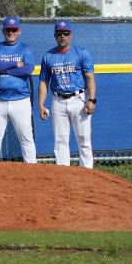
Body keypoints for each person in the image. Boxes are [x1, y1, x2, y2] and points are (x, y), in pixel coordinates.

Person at [36, 19, 96, 169]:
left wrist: (92, 99)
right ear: (55, 35)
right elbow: (43, 82)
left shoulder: (81, 53)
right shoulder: (48, 56)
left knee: (83, 139)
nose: (62, 36)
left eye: (65, 33)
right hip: (58, 100)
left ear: (71, 35)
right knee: (60, 140)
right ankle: (64, 174)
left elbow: (90, 78)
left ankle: (87, 172)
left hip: (78, 99)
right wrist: (41, 104)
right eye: (59, 33)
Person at [0, 16, 37, 163]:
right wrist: (15, 63)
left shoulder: (25, 49)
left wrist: (4, 68)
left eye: (14, 29)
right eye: (8, 29)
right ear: (3, 31)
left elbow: (27, 70)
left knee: (26, 138)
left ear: (19, 31)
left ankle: (32, 170)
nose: (11, 32)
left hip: (21, 100)